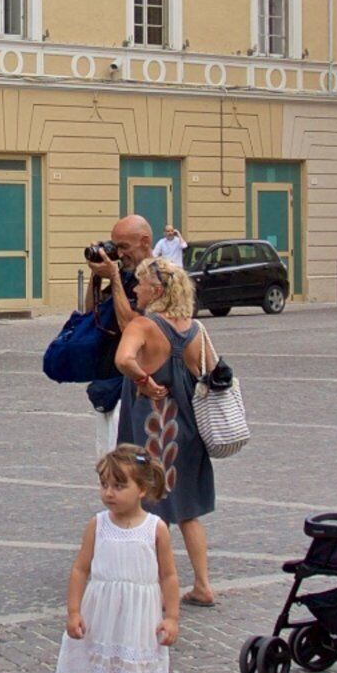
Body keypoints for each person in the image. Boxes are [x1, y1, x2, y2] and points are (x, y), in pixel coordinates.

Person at [56, 445, 179, 673]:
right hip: (103, 615)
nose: (109, 493)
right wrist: (74, 610)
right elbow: (81, 568)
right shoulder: (98, 526)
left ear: (142, 489)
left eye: (118, 486)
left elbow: (168, 576)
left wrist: (171, 617)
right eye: (105, 485)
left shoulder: (155, 529)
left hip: (138, 618)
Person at [113, 255, 223, 607]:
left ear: (156, 290)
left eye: (140, 283)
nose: (135, 288)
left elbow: (123, 359)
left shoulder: (143, 326)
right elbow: (216, 370)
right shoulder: (194, 329)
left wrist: (144, 380)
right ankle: (203, 585)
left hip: (150, 426)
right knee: (187, 509)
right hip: (187, 429)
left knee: (149, 506)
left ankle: (155, 588)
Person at [78, 214, 156, 454]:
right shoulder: (122, 274)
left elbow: (131, 328)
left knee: (127, 466)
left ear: (144, 241)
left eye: (124, 247)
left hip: (132, 389)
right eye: (116, 246)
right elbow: (89, 312)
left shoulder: (156, 278)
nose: (119, 254)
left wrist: (113, 278)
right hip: (108, 385)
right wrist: (97, 276)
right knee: (108, 465)